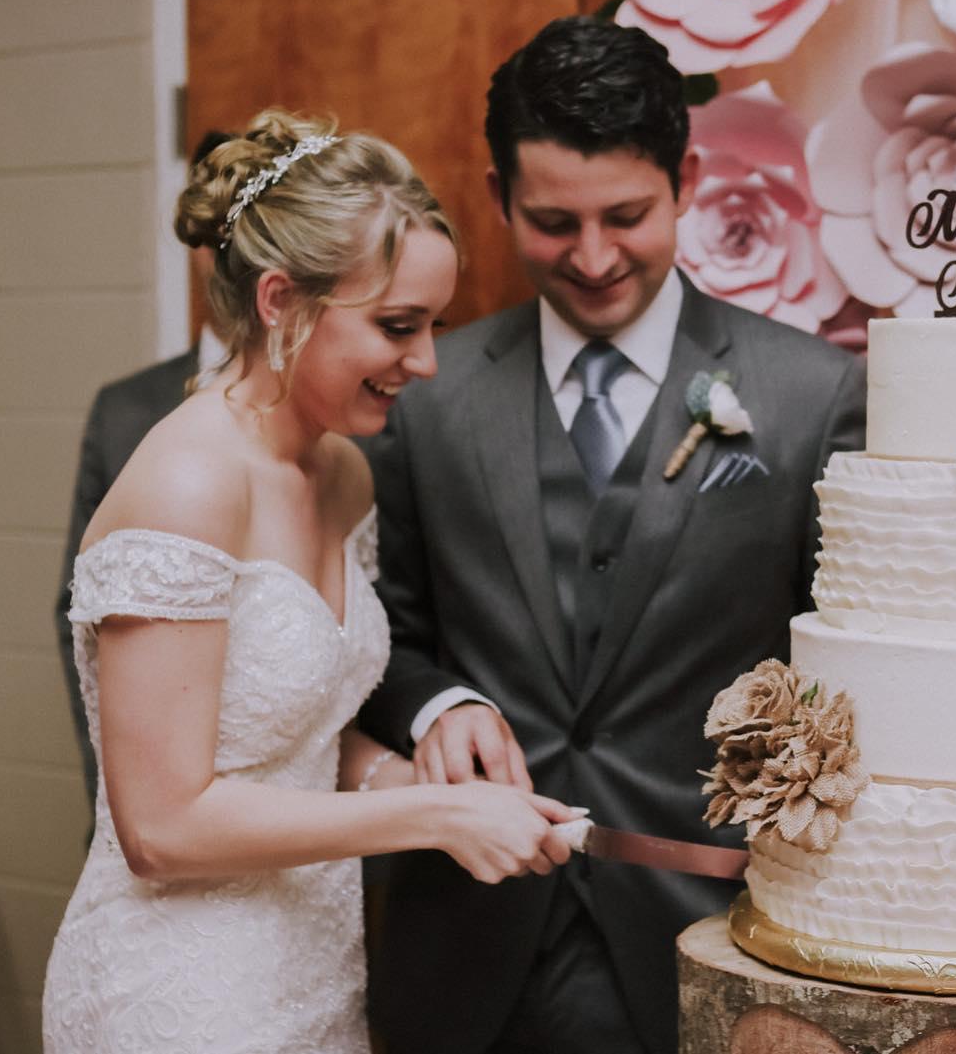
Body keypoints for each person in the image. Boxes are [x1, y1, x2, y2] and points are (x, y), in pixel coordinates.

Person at [358, 17, 867, 1054]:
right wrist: (438, 703)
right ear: (499, 197)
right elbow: (377, 637)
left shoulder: (811, 396)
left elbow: (846, 679)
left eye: (626, 216)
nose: (593, 258)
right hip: (465, 937)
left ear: (686, 182)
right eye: (554, 222)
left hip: (710, 930)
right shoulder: (425, 399)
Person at [41, 109, 577, 1054]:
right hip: (180, 992)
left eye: (435, 325)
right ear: (281, 300)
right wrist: (432, 814)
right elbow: (160, 825)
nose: (426, 362)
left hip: (312, 969)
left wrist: (414, 773)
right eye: (397, 326)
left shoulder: (343, 474)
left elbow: (297, 738)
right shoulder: (188, 479)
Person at [53, 130, 234, 812]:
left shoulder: (348, 421)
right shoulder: (125, 410)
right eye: (223, 238)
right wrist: (114, 790)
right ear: (196, 243)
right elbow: (76, 612)